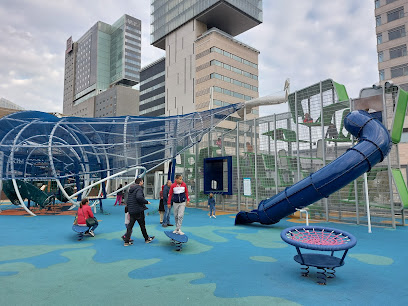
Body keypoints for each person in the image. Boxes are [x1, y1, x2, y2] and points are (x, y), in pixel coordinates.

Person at [123, 178, 155, 246]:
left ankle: (126, 241)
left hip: (132, 210)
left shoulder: (131, 189)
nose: (143, 183)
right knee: (142, 225)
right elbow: (139, 197)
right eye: (142, 181)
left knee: (130, 226)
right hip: (138, 210)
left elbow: (129, 199)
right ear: (140, 182)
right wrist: (146, 202)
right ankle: (146, 239)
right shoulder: (139, 189)